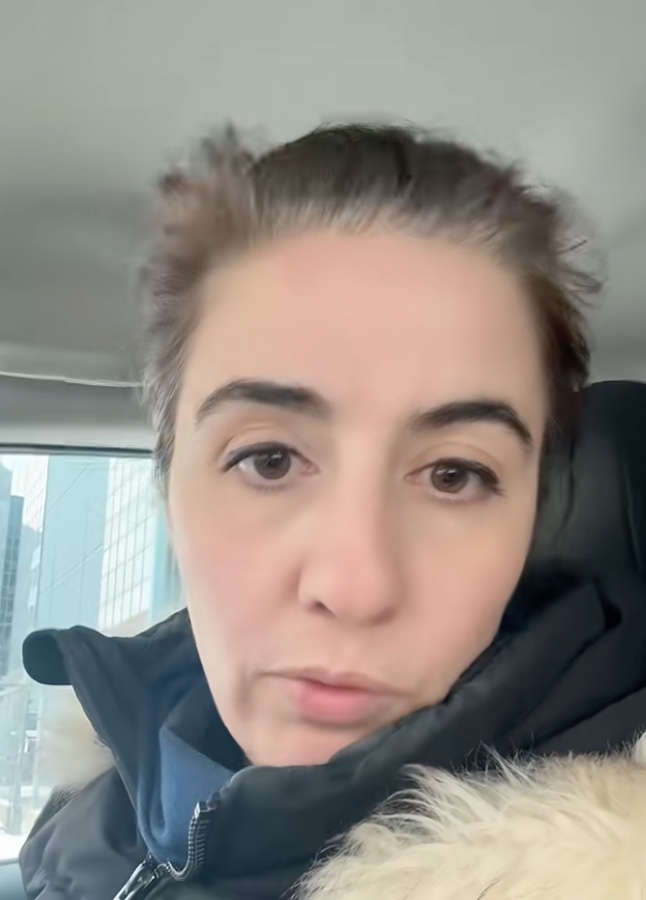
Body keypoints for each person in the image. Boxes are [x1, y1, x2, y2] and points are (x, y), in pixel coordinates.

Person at [18, 123, 646, 899]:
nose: (355, 587)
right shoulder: (95, 807)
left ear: (533, 518)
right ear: (168, 490)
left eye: (453, 475)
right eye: (269, 461)